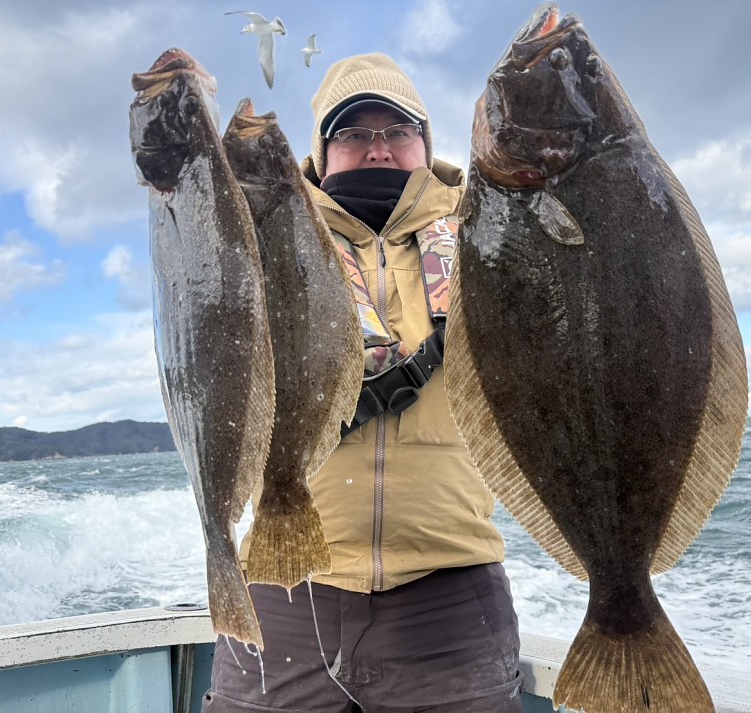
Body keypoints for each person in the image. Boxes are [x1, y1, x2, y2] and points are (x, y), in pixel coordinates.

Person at [202, 53, 523, 713]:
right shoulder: (261, 231)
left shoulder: (489, 231)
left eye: (397, 130)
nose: (378, 148)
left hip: (450, 586)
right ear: (320, 155)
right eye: (352, 133)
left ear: (425, 144)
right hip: (283, 581)